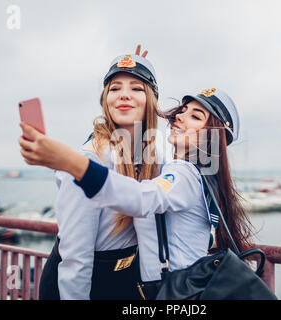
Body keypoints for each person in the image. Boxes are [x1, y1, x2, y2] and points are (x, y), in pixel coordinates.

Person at [19, 87, 255, 300]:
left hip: (173, 292)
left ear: (214, 136)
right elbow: (134, 148)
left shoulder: (185, 175)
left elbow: (142, 197)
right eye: (183, 111)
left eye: (195, 116)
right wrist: (137, 79)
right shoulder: (193, 173)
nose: (180, 117)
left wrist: (71, 162)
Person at [31, 45, 162, 300]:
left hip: (125, 279)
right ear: (105, 100)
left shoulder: (149, 155)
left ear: (151, 101)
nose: (124, 95)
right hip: (87, 282)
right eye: (115, 88)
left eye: (137, 88)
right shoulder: (89, 158)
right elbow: (75, 258)